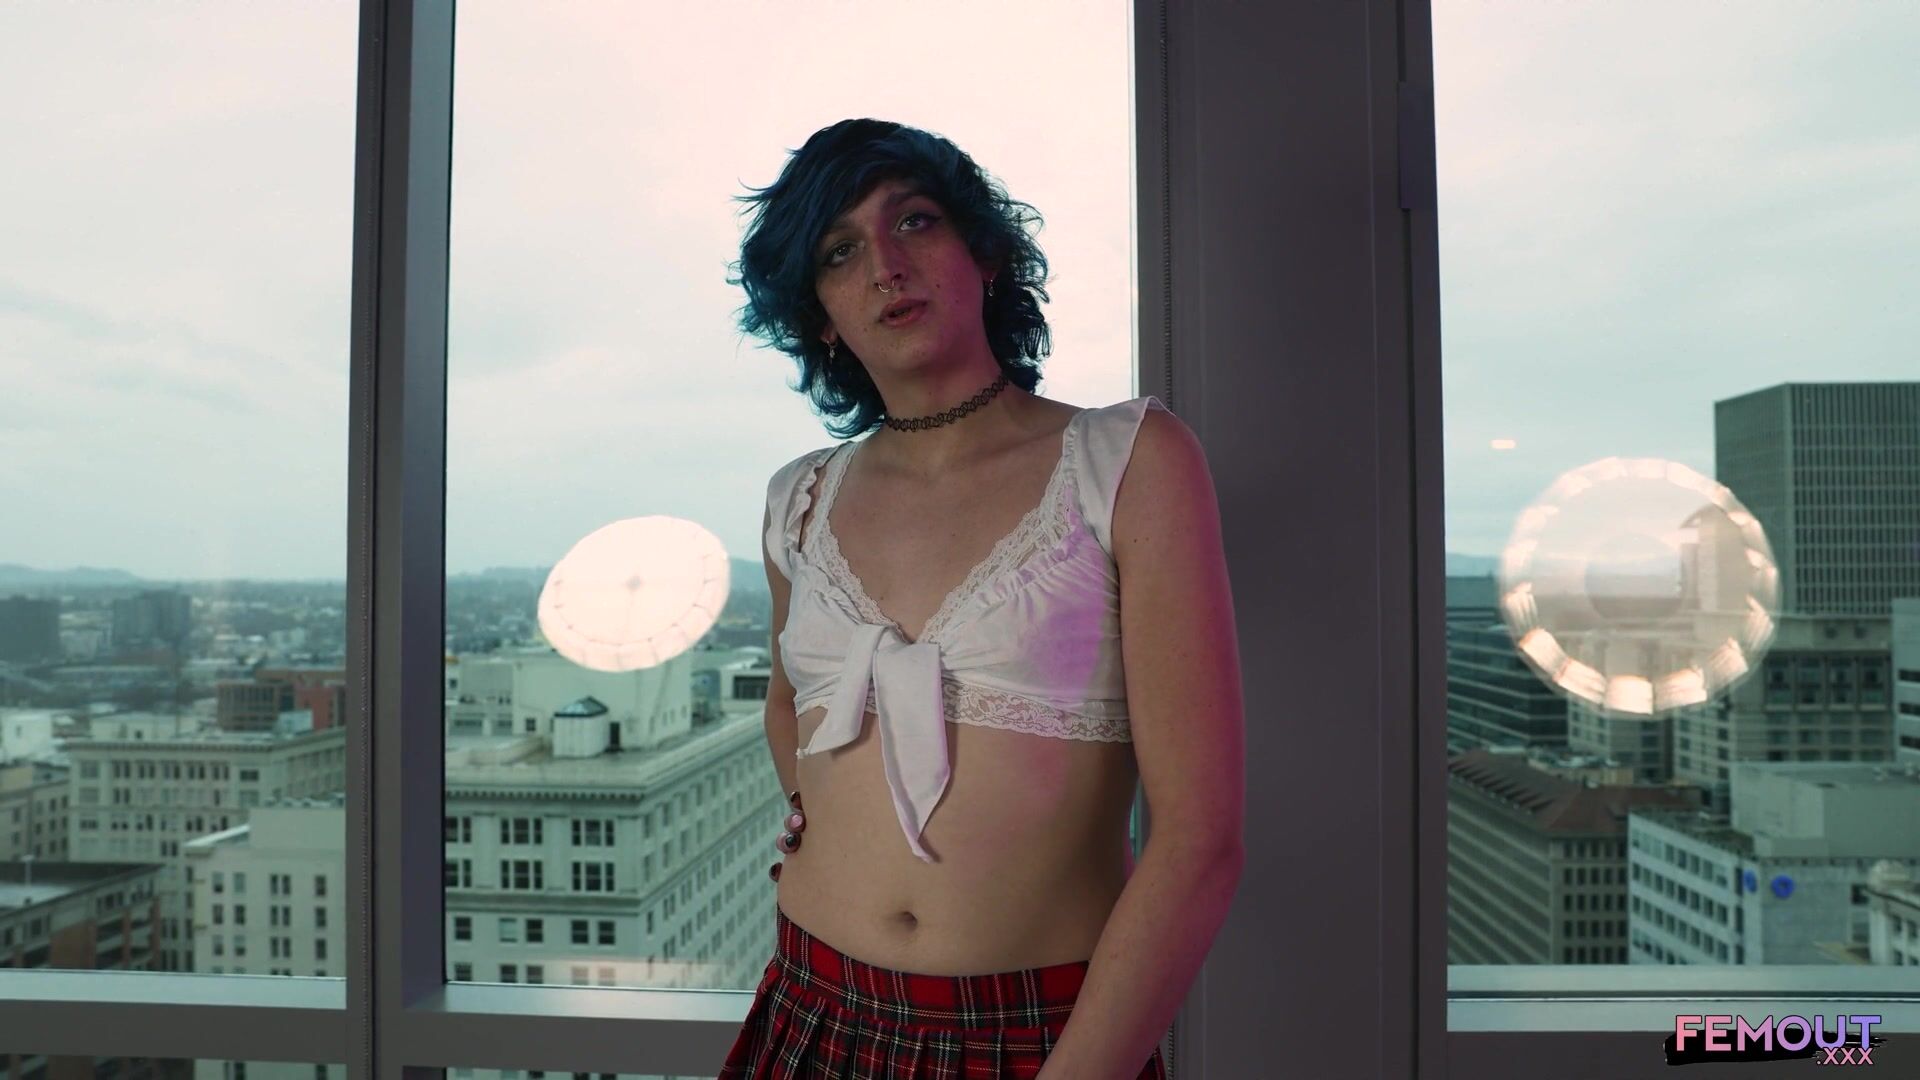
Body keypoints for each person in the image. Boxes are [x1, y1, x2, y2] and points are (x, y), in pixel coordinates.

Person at [719, 118, 1245, 1079]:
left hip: (1035, 1035)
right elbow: (790, 701)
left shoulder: (1128, 462)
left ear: (986, 254)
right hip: (810, 1009)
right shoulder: (799, 497)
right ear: (821, 316)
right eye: (840, 252)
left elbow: (1201, 840)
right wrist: (819, 810)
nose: (885, 266)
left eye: (914, 221)